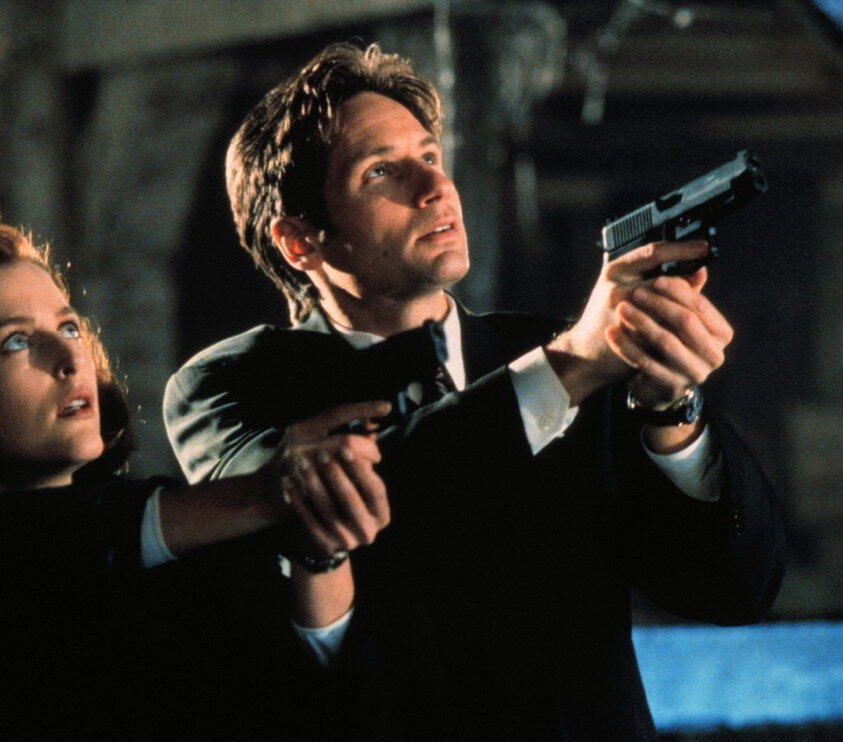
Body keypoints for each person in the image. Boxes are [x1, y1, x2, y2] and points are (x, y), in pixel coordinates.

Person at [163, 43, 787, 739]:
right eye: (381, 172)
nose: (435, 187)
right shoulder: (229, 387)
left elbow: (736, 589)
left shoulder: (568, 352)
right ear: (300, 241)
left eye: (430, 156)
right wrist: (570, 366)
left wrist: (672, 411)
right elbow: (333, 501)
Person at [0, 222, 392, 740]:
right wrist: (266, 492)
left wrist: (319, 541)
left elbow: (307, 695)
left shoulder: (153, 547)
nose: (69, 357)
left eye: (69, 326)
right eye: (15, 341)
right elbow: (12, 554)